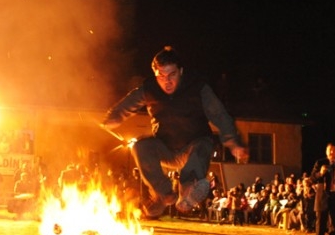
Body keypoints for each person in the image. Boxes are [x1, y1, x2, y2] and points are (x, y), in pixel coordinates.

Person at [101, 46, 248, 218]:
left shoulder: (198, 88)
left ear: (181, 71)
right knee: (140, 147)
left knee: (203, 145)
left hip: (193, 145)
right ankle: (163, 194)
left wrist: (233, 141)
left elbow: (219, 114)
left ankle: (188, 190)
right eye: (161, 76)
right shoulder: (149, 89)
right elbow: (128, 104)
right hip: (166, 149)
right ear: (155, 74)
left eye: (172, 75)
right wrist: (114, 117)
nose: (167, 82)